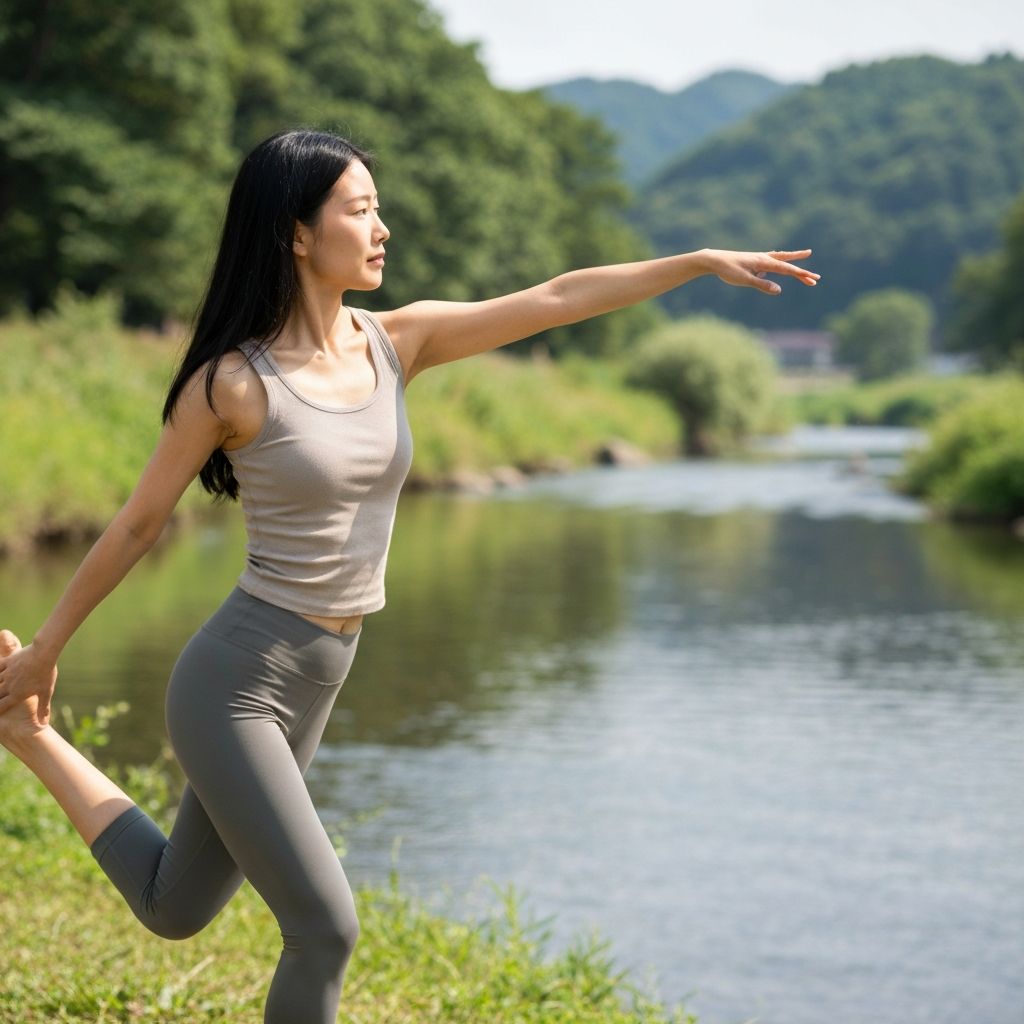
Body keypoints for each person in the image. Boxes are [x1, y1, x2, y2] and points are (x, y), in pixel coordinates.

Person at [0, 126, 819, 1023]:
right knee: (325, 928)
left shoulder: (399, 342)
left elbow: (554, 297)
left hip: (320, 673)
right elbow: (137, 524)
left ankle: (26, 739)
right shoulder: (234, 383)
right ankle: (26, 709)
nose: (382, 226)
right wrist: (46, 650)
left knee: (174, 906)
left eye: (379, 207)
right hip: (236, 679)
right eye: (360, 209)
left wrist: (695, 263)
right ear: (297, 234)